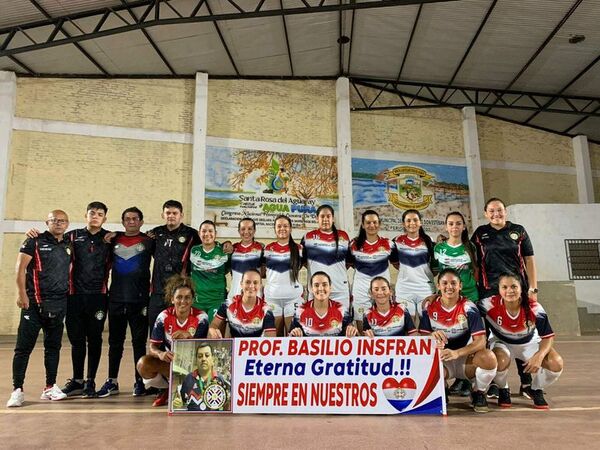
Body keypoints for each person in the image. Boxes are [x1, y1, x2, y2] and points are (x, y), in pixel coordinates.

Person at [471, 197, 537, 398]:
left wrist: (532, 288)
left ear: (505, 211)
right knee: (491, 337)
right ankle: (493, 382)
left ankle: (526, 383)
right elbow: (475, 263)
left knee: (518, 334)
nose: (496, 214)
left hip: (516, 291)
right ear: (485, 213)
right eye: (491, 211)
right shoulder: (480, 234)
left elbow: (529, 259)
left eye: (499, 210)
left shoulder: (518, 230)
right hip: (489, 291)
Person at [7, 210, 71, 407]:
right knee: (23, 349)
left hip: (58, 304)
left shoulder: (69, 243)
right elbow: (20, 268)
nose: (58, 224)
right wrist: (21, 294)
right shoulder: (34, 241)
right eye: (54, 220)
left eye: (62, 221)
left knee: (53, 348)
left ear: (67, 224)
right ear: (47, 222)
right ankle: (17, 390)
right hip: (34, 304)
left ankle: (50, 387)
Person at [478, 272, 563, 409]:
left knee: (556, 364)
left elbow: (548, 337)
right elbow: (464, 307)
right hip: (502, 343)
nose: (509, 291)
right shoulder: (488, 304)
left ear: (521, 288)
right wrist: (435, 298)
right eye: (504, 287)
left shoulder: (535, 308)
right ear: (499, 290)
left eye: (514, 287)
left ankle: (536, 389)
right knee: (499, 361)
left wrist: (539, 356)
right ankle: (503, 388)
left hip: (529, 343)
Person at [419, 269, 497, 413]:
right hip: (443, 360)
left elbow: (480, 341)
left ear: (460, 286)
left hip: (465, 360)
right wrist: (431, 336)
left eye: (453, 283)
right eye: (445, 283)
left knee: (489, 358)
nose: (449, 287)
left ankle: (478, 392)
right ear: (438, 286)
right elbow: (421, 338)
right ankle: (442, 388)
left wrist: (457, 353)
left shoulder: (469, 308)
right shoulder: (428, 307)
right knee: (420, 362)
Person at [97, 207, 154, 398]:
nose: (131, 221)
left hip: (139, 300)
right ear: (122, 222)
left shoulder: (149, 241)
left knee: (139, 343)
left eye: (135, 219)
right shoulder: (113, 239)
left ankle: (140, 382)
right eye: (127, 219)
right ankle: (112, 380)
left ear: (141, 222)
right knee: (115, 343)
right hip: (116, 299)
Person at [137, 274, 209, 407]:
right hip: (171, 364)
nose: (183, 301)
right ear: (172, 299)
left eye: (187, 297)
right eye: (179, 297)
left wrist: (189, 337)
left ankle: (181, 389)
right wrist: (161, 354)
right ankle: (167, 388)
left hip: (193, 364)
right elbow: (152, 346)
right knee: (143, 364)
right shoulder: (163, 317)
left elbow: (205, 349)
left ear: (193, 300)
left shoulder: (201, 318)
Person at [434, 211, 479, 397]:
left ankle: (467, 379)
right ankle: (454, 377)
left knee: (471, 338)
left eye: (458, 223)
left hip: (469, 297)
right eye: (451, 224)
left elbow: (477, 271)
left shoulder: (471, 248)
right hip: (448, 298)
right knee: (452, 334)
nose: (454, 227)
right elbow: (437, 273)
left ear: (463, 226)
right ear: (446, 226)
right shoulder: (438, 248)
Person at [146, 200, 201, 336]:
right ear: (163, 215)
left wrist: (227, 244)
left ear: (181, 215)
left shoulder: (191, 234)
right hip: (158, 291)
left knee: (178, 332)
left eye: (175, 213)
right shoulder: (154, 234)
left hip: (180, 292)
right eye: (168, 213)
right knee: (155, 331)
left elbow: (207, 246)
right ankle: (157, 357)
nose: (171, 216)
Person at [348, 210, 397, 331]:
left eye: (375, 222)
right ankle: (364, 344)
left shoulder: (389, 244)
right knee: (360, 316)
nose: (372, 225)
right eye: (368, 223)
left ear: (379, 224)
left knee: (384, 315)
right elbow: (349, 264)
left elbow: (397, 264)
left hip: (382, 286)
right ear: (363, 225)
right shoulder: (353, 244)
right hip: (361, 286)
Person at [301, 205, 351, 309]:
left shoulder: (344, 237)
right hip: (316, 290)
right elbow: (304, 262)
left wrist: (335, 271)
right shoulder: (308, 237)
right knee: (315, 324)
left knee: (341, 323)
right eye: (322, 216)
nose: (325, 219)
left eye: (328, 216)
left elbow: (349, 262)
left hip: (340, 290)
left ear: (333, 219)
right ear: (317, 218)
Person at [263, 215, 303, 336]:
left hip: (293, 298)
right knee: (275, 339)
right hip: (272, 298)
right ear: (274, 229)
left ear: (290, 228)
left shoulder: (299, 248)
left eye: (285, 226)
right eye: (279, 226)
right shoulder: (267, 248)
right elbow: (263, 271)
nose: (282, 228)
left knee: (294, 338)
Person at [393, 209, 435, 320]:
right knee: (408, 326)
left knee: (427, 325)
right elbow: (395, 263)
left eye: (415, 220)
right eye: (408, 220)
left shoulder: (429, 241)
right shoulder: (396, 241)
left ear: (420, 222)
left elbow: (434, 266)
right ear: (403, 224)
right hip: (404, 289)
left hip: (425, 288)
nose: (412, 223)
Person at [209, 270, 276, 338]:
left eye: (255, 283)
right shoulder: (228, 304)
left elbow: (271, 339)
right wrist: (213, 329)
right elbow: (214, 324)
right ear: (241, 284)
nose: (251, 286)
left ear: (260, 286)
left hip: (256, 347)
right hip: (235, 347)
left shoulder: (266, 310)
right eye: (247, 282)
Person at [289, 272, 358, 337]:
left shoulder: (341, 310)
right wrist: (293, 333)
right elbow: (288, 338)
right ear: (311, 289)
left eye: (325, 284)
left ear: (330, 288)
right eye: (316, 285)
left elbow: (355, 334)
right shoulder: (300, 311)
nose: (321, 288)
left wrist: (352, 330)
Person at [189, 220, 231, 322]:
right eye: (204, 231)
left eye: (210, 231)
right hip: (197, 300)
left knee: (213, 332)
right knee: (197, 333)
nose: (207, 234)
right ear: (199, 233)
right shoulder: (193, 250)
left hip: (217, 300)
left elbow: (228, 270)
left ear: (215, 234)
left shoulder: (224, 251)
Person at [176, 342, 231, 411]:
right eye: (200, 356)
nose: (203, 359)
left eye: (207, 355)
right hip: (192, 420)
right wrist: (177, 404)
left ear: (213, 360)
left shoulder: (219, 379)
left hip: (213, 420)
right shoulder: (188, 379)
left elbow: (224, 405)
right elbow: (182, 402)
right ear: (196, 360)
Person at [227, 218, 264, 302]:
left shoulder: (261, 248)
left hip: (255, 297)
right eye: (243, 229)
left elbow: (264, 273)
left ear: (254, 231)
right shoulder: (232, 249)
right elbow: (228, 269)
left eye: (250, 229)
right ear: (239, 231)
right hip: (234, 296)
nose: (246, 232)